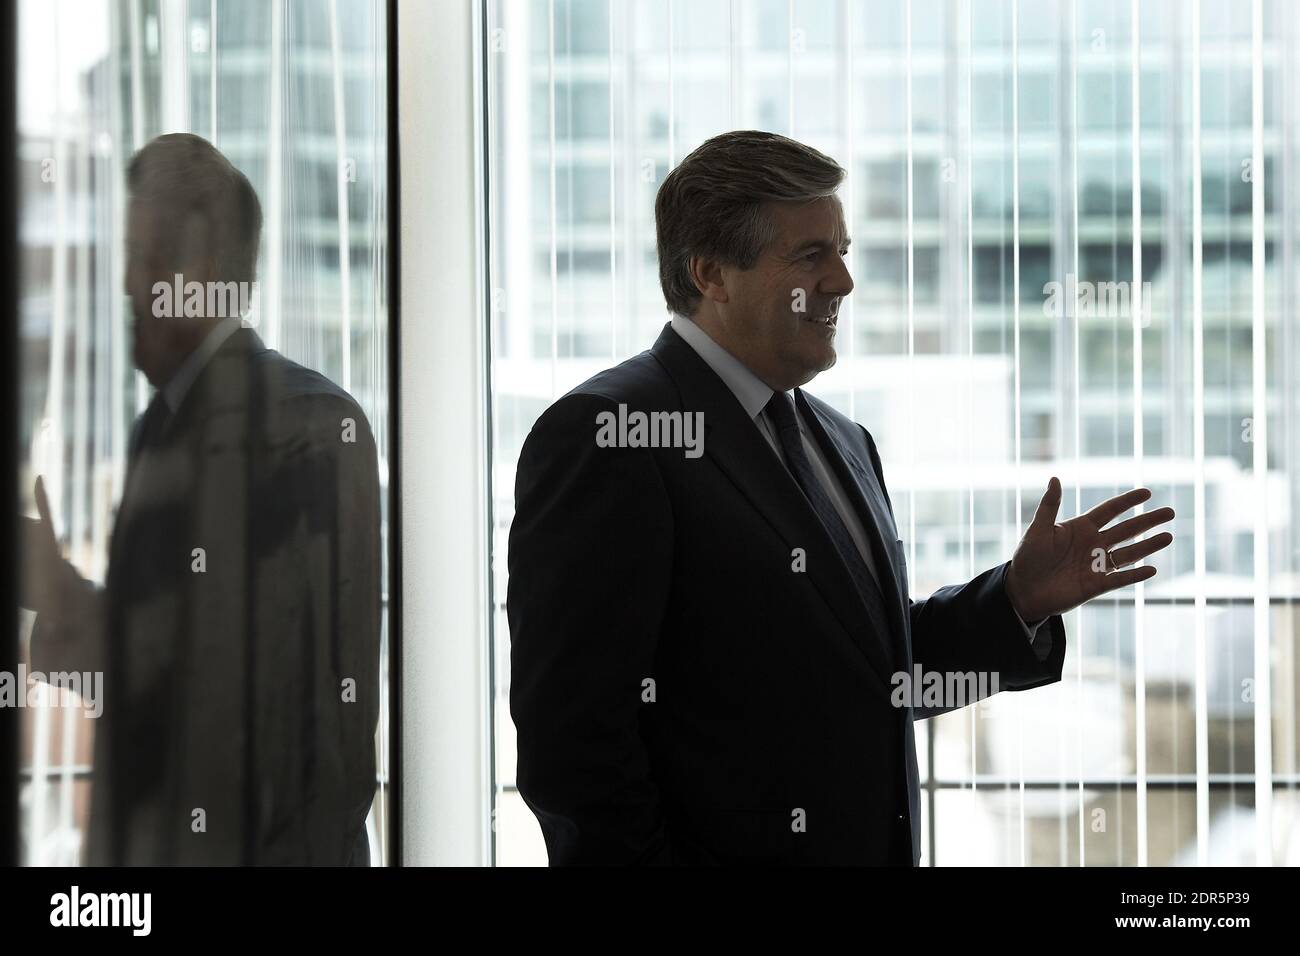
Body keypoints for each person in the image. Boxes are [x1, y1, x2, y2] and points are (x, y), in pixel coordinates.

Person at [507, 130, 1176, 865]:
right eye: (810, 256)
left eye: (843, 251)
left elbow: (872, 677)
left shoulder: (843, 439)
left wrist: (1016, 600)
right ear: (711, 274)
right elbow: (574, 751)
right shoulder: (610, 434)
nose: (844, 282)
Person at [20, 133, 382, 865]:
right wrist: (61, 598)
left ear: (207, 270)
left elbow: (268, 717)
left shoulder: (302, 428)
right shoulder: (166, 423)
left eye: (147, 257)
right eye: (127, 255)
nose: (127, 283)